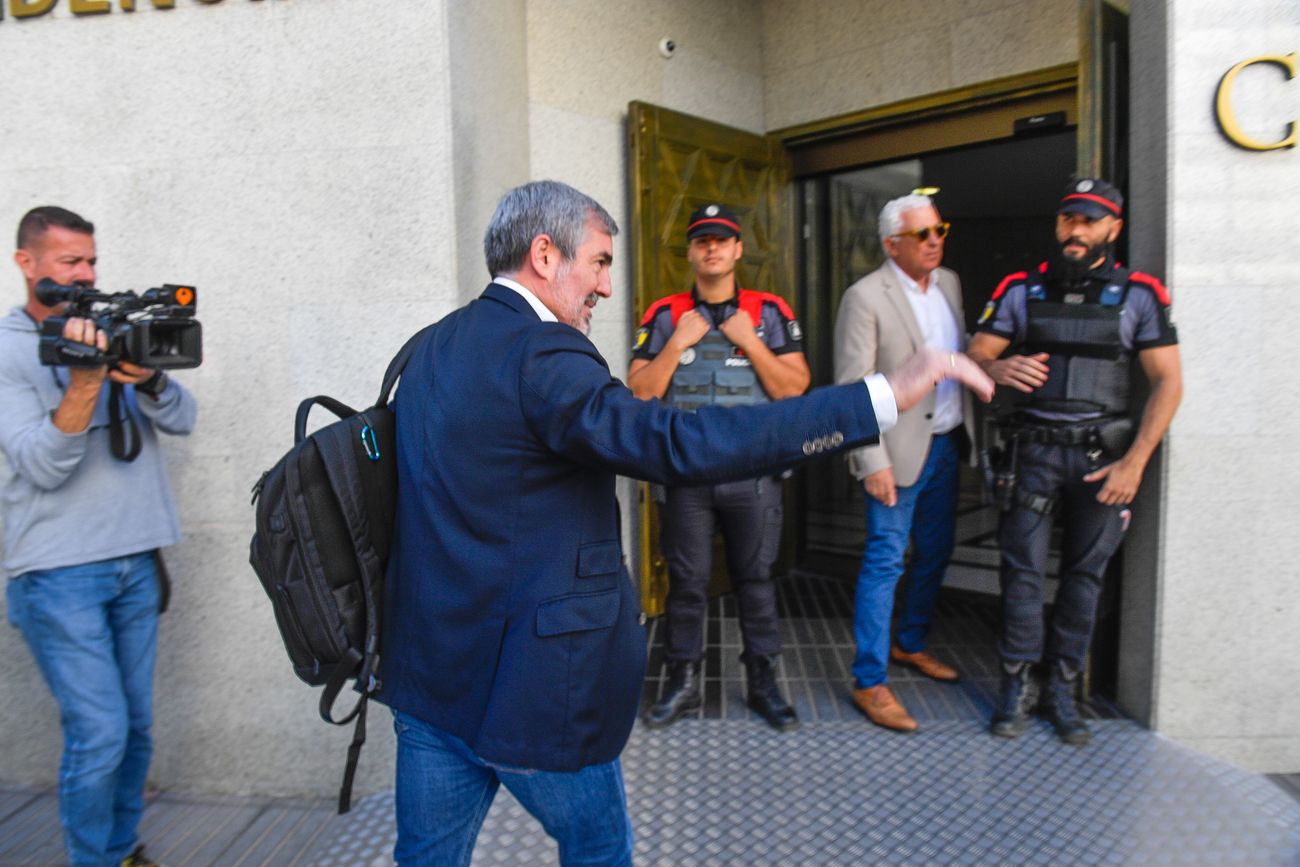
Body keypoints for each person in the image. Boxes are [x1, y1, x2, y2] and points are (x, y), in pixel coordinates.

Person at [377, 180, 993, 866]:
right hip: (532, 692)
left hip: (428, 678)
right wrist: (875, 397)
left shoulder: (428, 347)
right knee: (600, 847)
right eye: (601, 261)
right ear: (545, 255)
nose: (607, 287)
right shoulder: (545, 352)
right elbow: (677, 442)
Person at [0, 206, 197, 867]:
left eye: (90, 261)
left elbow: (183, 418)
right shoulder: (5, 350)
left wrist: (149, 377)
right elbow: (42, 463)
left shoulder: (113, 331)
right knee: (100, 731)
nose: (84, 274)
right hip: (59, 573)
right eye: (68, 262)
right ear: (27, 263)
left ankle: (119, 850)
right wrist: (85, 381)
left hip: (135, 560)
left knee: (136, 730)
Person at [966, 177, 1182, 746]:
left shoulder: (1139, 295)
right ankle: (1016, 683)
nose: (1076, 230)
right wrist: (996, 369)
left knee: (1085, 578)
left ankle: (1062, 686)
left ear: (1113, 228)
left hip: (1101, 459)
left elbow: (1167, 383)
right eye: (1068, 219)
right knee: (1021, 575)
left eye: (1089, 221)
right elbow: (976, 355)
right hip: (1032, 453)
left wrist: (1136, 461)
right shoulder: (1020, 288)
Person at [626, 203, 810, 733]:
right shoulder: (664, 315)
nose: (711, 247)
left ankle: (763, 679)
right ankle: (682, 681)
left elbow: (794, 387)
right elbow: (640, 392)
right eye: (702, 239)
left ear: (737, 250)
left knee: (755, 578)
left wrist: (749, 340)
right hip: (686, 475)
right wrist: (679, 343)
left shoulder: (770, 311)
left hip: (752, 474)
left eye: (721, 239)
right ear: (691, 251)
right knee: (687, 583)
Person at [832, 194, 973, 734]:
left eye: (940, 229)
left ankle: (910, 643)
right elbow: (853, 386)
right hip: (895, 450)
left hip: (945, 443)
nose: (935, 240)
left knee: (936, 550)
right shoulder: (865, 297)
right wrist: (870, 459)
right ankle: (870, 680)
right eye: (922, 234)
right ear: (893, 243)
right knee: (887, 558)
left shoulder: (951, 285)